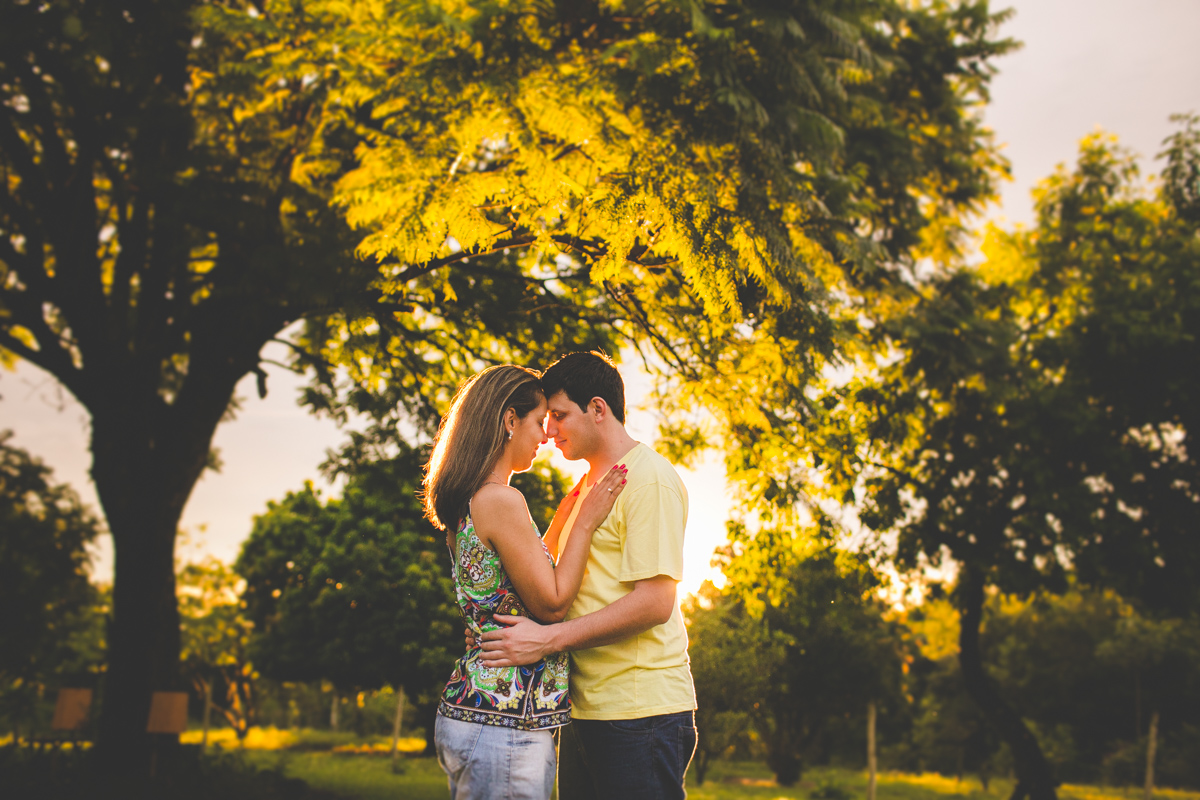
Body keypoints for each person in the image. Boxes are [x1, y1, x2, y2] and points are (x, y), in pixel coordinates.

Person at [479, 351, 698, 800]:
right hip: (584, 710)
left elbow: (655, 603)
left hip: (641, 713)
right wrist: (496, 632)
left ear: (598, 409)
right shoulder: (585, 489)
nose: (549, 430)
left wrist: (547, 641)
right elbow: (552, 588)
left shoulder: (647, 479)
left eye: (559, 416)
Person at [423, 364, 627, 800]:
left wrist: (559, 524)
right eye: (538, 422)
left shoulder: (471, 500)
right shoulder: (502, 499)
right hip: (505, 723)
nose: (546, 435)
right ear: (509, 421)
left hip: (479, 712)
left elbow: (511, 586)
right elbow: (551, 603)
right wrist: (587, 521)